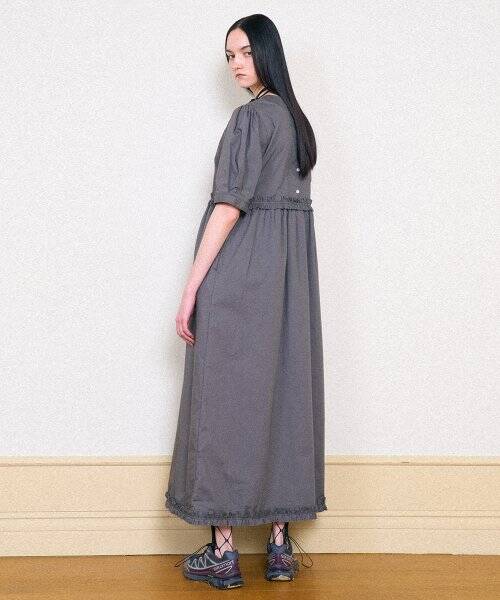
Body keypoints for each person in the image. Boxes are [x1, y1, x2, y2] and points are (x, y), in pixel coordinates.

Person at [165, 13, 326, 589]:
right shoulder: (298, 124)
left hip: (241, 275)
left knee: (224, 405)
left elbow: (229, 207)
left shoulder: (250, 119)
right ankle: (279, 548)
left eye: (244, 52)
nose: (236, 63)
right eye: (229, 55)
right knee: (283, 398)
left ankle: (224, 553)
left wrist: (191, 287)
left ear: (266, 53)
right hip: (289, 284)